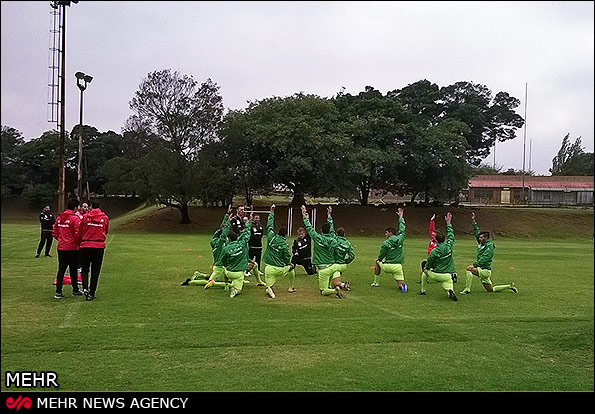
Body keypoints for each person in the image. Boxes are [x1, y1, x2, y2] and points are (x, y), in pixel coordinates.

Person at [460, 212, 518, 294]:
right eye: (479, 238)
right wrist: (473, 222)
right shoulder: (482, 243)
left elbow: (486, 257)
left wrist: (475, 265)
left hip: (485, 270)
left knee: (469, 269)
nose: (479, 239)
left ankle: (467, 289)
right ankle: (510, 286)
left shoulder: (489, 246)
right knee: (491, 290)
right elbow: (477, 232)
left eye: (481, 237)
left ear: (486, 238)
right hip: (482, 269)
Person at [183, 205, 232, 289]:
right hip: (219, 266)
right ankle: (190, 282)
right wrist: (228, 223)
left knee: (230, 279)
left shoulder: (215, 239)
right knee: (210, 281)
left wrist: (227, 214)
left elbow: (221, 228)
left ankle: (199, 275)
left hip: (223, 265)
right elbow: (224, 232)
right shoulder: (220, 242)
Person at [301, 205, 343, 299]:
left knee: (323, 291)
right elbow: (331, 226)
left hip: (322, 267)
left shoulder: (317, 238)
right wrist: (329, 215)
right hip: (332, 266)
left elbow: (309, 228)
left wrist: (305, 216)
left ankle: (334, 290)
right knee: (329, 279)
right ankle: (335, 285)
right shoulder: (333, 237)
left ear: (321, 230)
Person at [419, 212, 458, 301]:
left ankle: (422, 290)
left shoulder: (434, 251)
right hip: (448, 274)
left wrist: (427, 268)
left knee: (425, 272)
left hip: (437, 273)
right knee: (447, 284)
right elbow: (451, 236)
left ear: (436, 239)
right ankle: (450, 292)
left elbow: (429, 263)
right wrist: (448, 223)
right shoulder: (449, 246)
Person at [262, 204, 296, 299]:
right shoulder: (284, 245)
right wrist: (288, 264)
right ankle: (291, 287)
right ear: (285, 235)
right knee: (291, 268)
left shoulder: (272, 237)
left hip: (268, 267)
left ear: (278, 232)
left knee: (269, 284)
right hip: (278, 269)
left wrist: (272, 212)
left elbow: (269, 226)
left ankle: (269, 289)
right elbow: (286, 257)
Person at [79, 200, 109, 301]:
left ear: (91, 206)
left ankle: (85, 288)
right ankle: (92, 292)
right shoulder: (104, 218)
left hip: (86, 245)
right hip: (98, 246)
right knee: (95, 270)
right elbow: (106, 230)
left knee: (85, 269)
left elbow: (80, 230)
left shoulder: (86, 217)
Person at [52, 199, 83, 299]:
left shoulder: (59, 218)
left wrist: (61, 240)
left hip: (61, 247)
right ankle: (75, 289)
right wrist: (78, 243)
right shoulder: (75, 219)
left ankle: (58, 291)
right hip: (73, 248)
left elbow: (55, 232)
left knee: (61, 269)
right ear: (75, 207)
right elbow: (78, 233)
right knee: (73, 269)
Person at [372, 208, 408, 293]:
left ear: (390, 233)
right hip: (398, 266)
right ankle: (403, 286)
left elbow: (381, 255)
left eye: (386, 232)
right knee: (400, 284)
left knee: (377, 262)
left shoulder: (386, 243)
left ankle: (375, 282)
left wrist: (379, 260)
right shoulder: (400, 238)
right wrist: (401, 217)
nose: (385, 234)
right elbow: (402, 229)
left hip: (388, 266)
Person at [221, 213, 253, 298]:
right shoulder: (242, 244)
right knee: (239, 290)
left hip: (229, 272)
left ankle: (227, 284)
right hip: (239, 273)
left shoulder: (226, 248)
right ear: (237, 238)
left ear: (229, 239)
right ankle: (234, 291)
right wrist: (249, 222)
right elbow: (246, 234)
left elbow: (223, 261)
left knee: (224, 271)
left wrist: (227, 266)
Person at [329, 226, 355, 292]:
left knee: (333, 282)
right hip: (342, 264)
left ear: (336, 233)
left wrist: (329, 217)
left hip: (333, 263)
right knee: (335, 278)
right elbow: (352, 256)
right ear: (344, 234)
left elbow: (331, 230)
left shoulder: (334, 239)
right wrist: (346, 261)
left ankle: (342, 285)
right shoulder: (348, 244)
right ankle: (340, 286)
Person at [247, 213, 266, 286]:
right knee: (250, 258)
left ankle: (258, 270)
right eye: (256, 218)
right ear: (253, 218)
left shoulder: (260, 226)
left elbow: (261, 234)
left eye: (258, 218)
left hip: (259, 245)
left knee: (258, 258)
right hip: (252, 245)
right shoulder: (251, 226)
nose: (257, 219)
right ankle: (247, 271)